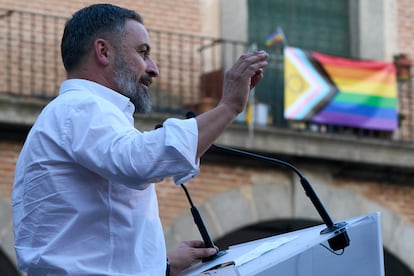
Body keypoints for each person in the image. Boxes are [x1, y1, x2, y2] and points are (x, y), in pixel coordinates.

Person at [12, 3, 268, 276]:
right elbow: (139, 161)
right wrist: (228, 107)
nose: (153, 68)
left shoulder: (80, 112)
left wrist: (162, 266)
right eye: (142, 52)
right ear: (103, 51)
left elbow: (92, 245)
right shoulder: (80, 107)